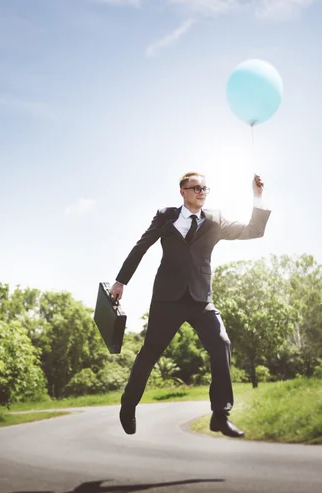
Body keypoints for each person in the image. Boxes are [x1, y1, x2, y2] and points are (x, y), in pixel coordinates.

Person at [109, 171, 271, 438]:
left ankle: (220, 415)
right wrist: (120, 282)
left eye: (205, 188)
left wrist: (257, 195)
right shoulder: (166, 216)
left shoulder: (215, 219)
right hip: (167, 299)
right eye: (195, 188)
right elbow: (141, 247)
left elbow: (255, 230)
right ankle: (128, 405)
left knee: (222, 344)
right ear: (182, 191)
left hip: (200, 299)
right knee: (149, 353)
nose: (201, 192)